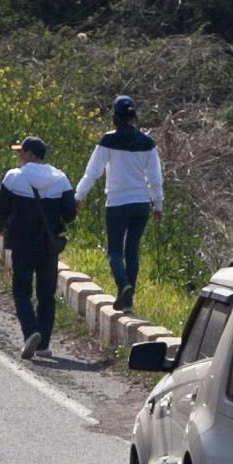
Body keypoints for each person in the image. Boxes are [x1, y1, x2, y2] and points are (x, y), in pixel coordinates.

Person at [74, 95, 164, 311]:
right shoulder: (147, 143)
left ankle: (123, 285)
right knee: (132, 250)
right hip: (141, 203)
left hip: (117, 202)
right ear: (134, 115)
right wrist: (158, 204)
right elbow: (155, 177)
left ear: (115, 116)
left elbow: (92, 172)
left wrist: (78, 196)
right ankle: (127, 302)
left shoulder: (108, 140)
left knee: (114, 251)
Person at [0, 137, 77, 359]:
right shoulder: (61, 179)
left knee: (22, 292)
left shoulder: (14, 177)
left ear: (30, 154)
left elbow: (2, 209)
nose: (19, 157)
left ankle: (31, 331)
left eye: (21, 153)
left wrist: (2, 227)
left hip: (21, 244)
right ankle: (44, 345)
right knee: (46, 295)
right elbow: (69, 214)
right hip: (48, 246)